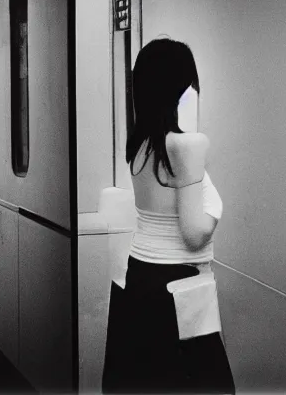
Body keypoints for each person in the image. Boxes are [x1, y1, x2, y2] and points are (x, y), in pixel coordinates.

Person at [102, 38, 236, 394]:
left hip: (138, 280)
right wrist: (216, 211)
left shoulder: (140, 142)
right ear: (181, 87)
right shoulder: (188, 145)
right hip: (179, 287)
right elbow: (194, 234)